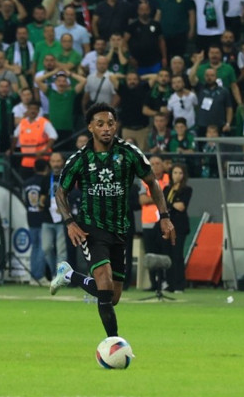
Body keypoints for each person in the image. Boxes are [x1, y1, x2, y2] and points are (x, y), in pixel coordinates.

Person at [50, 103, 176, 338]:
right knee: (105, 286)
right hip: (91, 228)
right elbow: (60, 194)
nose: (106, 128)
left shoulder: (129, 153)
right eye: (100, 124)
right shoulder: (79, 159)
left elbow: (152, 182)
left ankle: (68, 275)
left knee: (113, 296)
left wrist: (165, 217)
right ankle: (114, 344)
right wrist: (70, 222)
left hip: (119, 229)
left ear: (115, 125)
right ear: (90, 127)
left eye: (110, 123)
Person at [139, 155, 170, 290]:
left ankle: (165, 282)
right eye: (152, 164)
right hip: (149, 223)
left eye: (158, 163)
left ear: (163, 165)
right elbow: (142, 200)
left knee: (164, 252)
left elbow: (168, 198)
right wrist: (159, 196)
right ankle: (153, 283)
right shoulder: (144, 181)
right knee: (150, 253)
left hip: (163, 222)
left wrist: (152, 196)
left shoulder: (168, 180)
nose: (155, 166)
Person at [162, 164, 193, 293]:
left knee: (177, 255)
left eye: (180, 173)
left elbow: (181, 206)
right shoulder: (166, 189)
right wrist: (170, 205)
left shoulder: (187, 189)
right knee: (168, 255)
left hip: (179, 227)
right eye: (175, 172)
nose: (177, 175)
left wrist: (168, 204)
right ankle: (170, 283)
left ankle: (180, 283)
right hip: (167, 226)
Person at [39, 152, 68, 279]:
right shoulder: (46, 179)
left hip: (63, 219)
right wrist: (41, 203)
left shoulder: (68, 177)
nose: (56, 164)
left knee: (62, 251)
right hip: (47, 218)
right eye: (53, 161)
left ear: (63, 162)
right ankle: (54, 273)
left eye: (58, 161)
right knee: (46, 248)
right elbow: (42, 197)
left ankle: (60, 277)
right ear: (50, 163)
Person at [13, 100, 57, 180]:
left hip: (41, 160)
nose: (33, 111)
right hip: (26, 160)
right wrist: (11, 149)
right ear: (27, 110)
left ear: (38, 111)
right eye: (31, 108)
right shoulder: (23, 122)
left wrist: (44, 150)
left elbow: (53, 136)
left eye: (35, 109)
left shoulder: (44, 122)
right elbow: (15, 135)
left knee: (42, 182)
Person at [24, 158, 51, 286]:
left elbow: (25, 200)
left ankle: (33, 276)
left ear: (34, 168)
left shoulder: (26, 182)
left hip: (30, 216)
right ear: (46, 168)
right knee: (41, 247)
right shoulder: (45, 181)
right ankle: (39, 276)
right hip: (42, 217)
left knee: (34, 247)